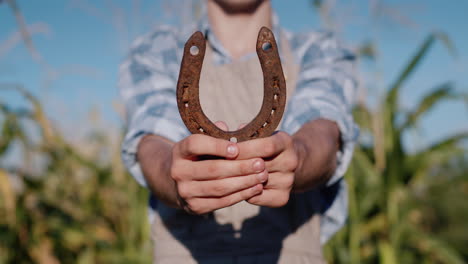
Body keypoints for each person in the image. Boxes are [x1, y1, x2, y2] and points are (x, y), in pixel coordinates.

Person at [119, 0, 358, 263]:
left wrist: (297, 157)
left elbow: (324, 131)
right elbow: (152, 141)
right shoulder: (157, 50)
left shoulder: (320, 49)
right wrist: (173, 173)